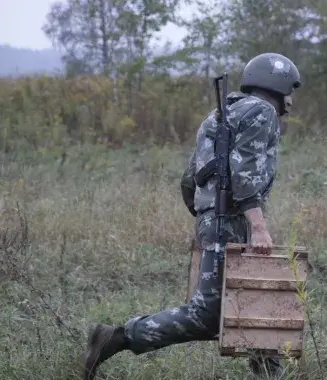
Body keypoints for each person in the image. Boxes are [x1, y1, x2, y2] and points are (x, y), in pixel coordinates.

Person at [80, 52, 301, 380]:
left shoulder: (219, 114)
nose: (291, 101)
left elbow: (190, 177)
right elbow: (246, 173)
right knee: (208, 315)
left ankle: (270, 373)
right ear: (278, 83)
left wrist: (206, 216)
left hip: (216, 216)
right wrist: (257, 226)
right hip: (233, 218)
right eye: (290, 91)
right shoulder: (262, 111)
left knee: (255, 294)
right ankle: (118, 337)